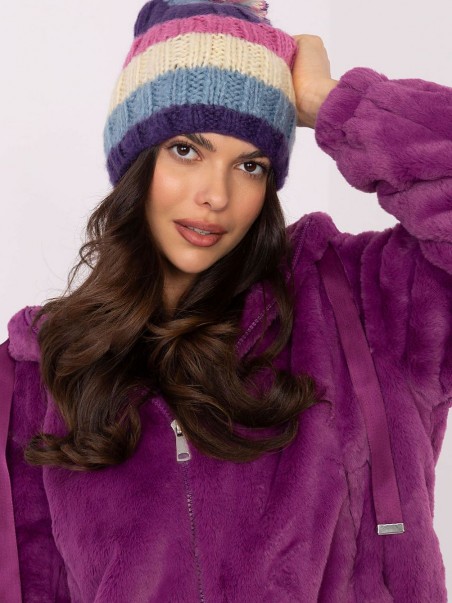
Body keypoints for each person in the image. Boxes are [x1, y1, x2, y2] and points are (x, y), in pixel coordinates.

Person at [1, 0, 451, 601]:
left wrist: (332, 102)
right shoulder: (39, 377)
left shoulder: (370, 303)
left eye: (250, 165)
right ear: (136, 163)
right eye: (187, 150)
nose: (216, 194)